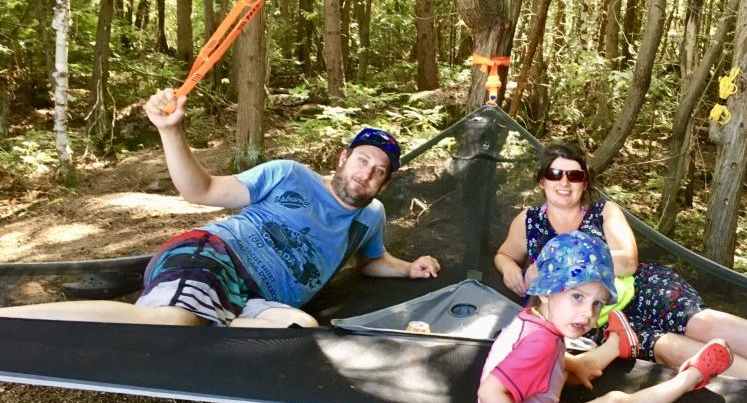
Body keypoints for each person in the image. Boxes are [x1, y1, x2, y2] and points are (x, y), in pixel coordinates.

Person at [0, 88, 440, 328]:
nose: (367, 173)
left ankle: (214, 323)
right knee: (172, 324)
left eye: (380, 170)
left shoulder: (370, 217)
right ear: (343, 159)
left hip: (255, 300)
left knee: (298, 330)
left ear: (386, 180)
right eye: (363, 160)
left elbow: (372, 262)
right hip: (215, 255)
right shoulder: (289, 175)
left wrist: (407, 268)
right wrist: (172, 132)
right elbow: (202, 189)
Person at [494, 142, 747, 401]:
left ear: (585, 182)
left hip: (640, 288)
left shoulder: (603, 212)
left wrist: (557, 264)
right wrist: (510, 266)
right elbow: (504, 255)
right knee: (671, 348)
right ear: (542, 180)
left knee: (705, 324)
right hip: (599, 316)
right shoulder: (529, 221)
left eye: (574, 175)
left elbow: (627, 260)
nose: (565, 183)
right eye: (556, 174)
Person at [478, 231, 733, 403]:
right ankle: (691, 377)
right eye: (577, 296)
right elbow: (490, 392)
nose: (588, 313)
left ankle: (615, 345)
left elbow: (531, 360)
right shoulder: (541, 341)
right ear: (546, 291)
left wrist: (570, 364)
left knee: (577, 367)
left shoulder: (533, 320)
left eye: (597, 303)